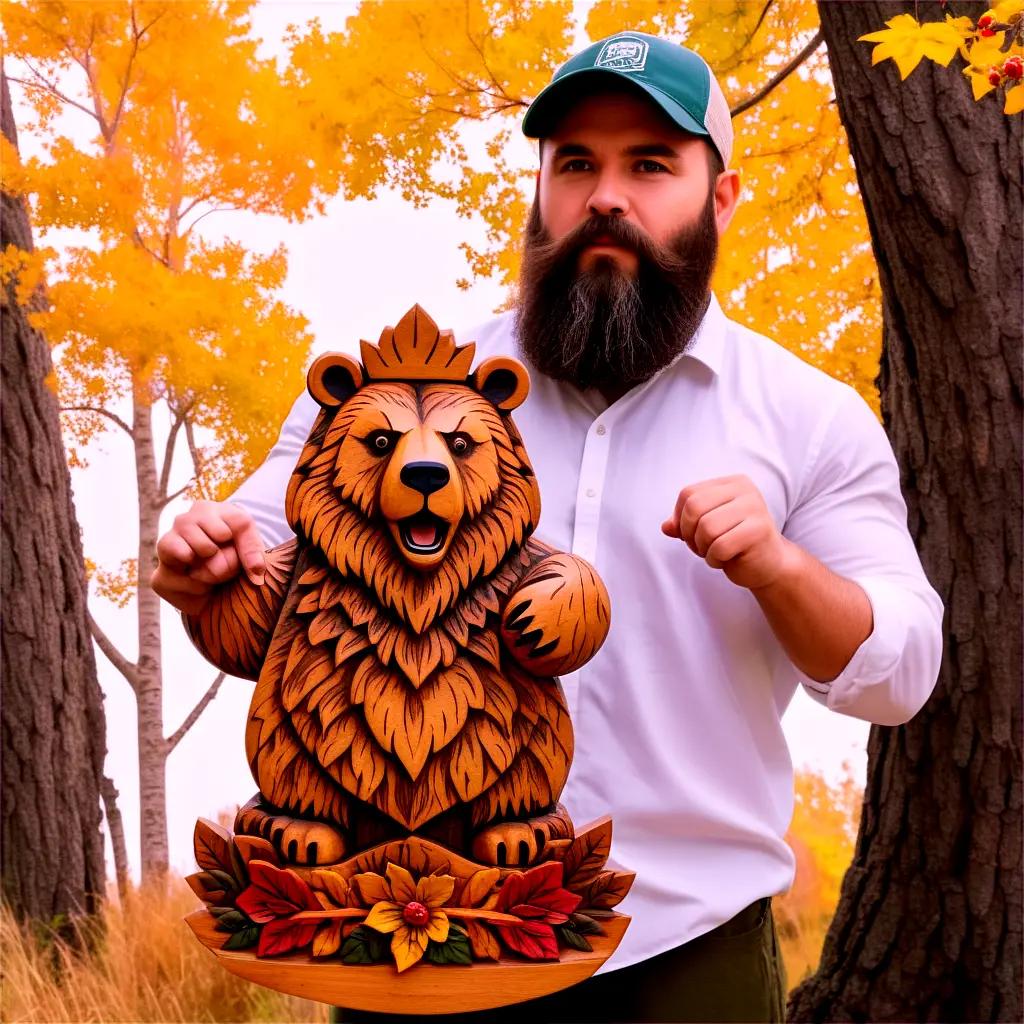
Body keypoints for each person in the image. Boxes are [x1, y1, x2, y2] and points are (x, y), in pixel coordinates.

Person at [152, 31, 943, 1024]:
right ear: (541, 193)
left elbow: (901, 671)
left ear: (723, 197)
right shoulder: (403, 399)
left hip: (684, 952)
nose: (604, 195)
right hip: (409, 944)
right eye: (575, 164)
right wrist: (206, 570)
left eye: (649, 165)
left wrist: (780, 567)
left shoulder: (806, 419)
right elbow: (257, 576)